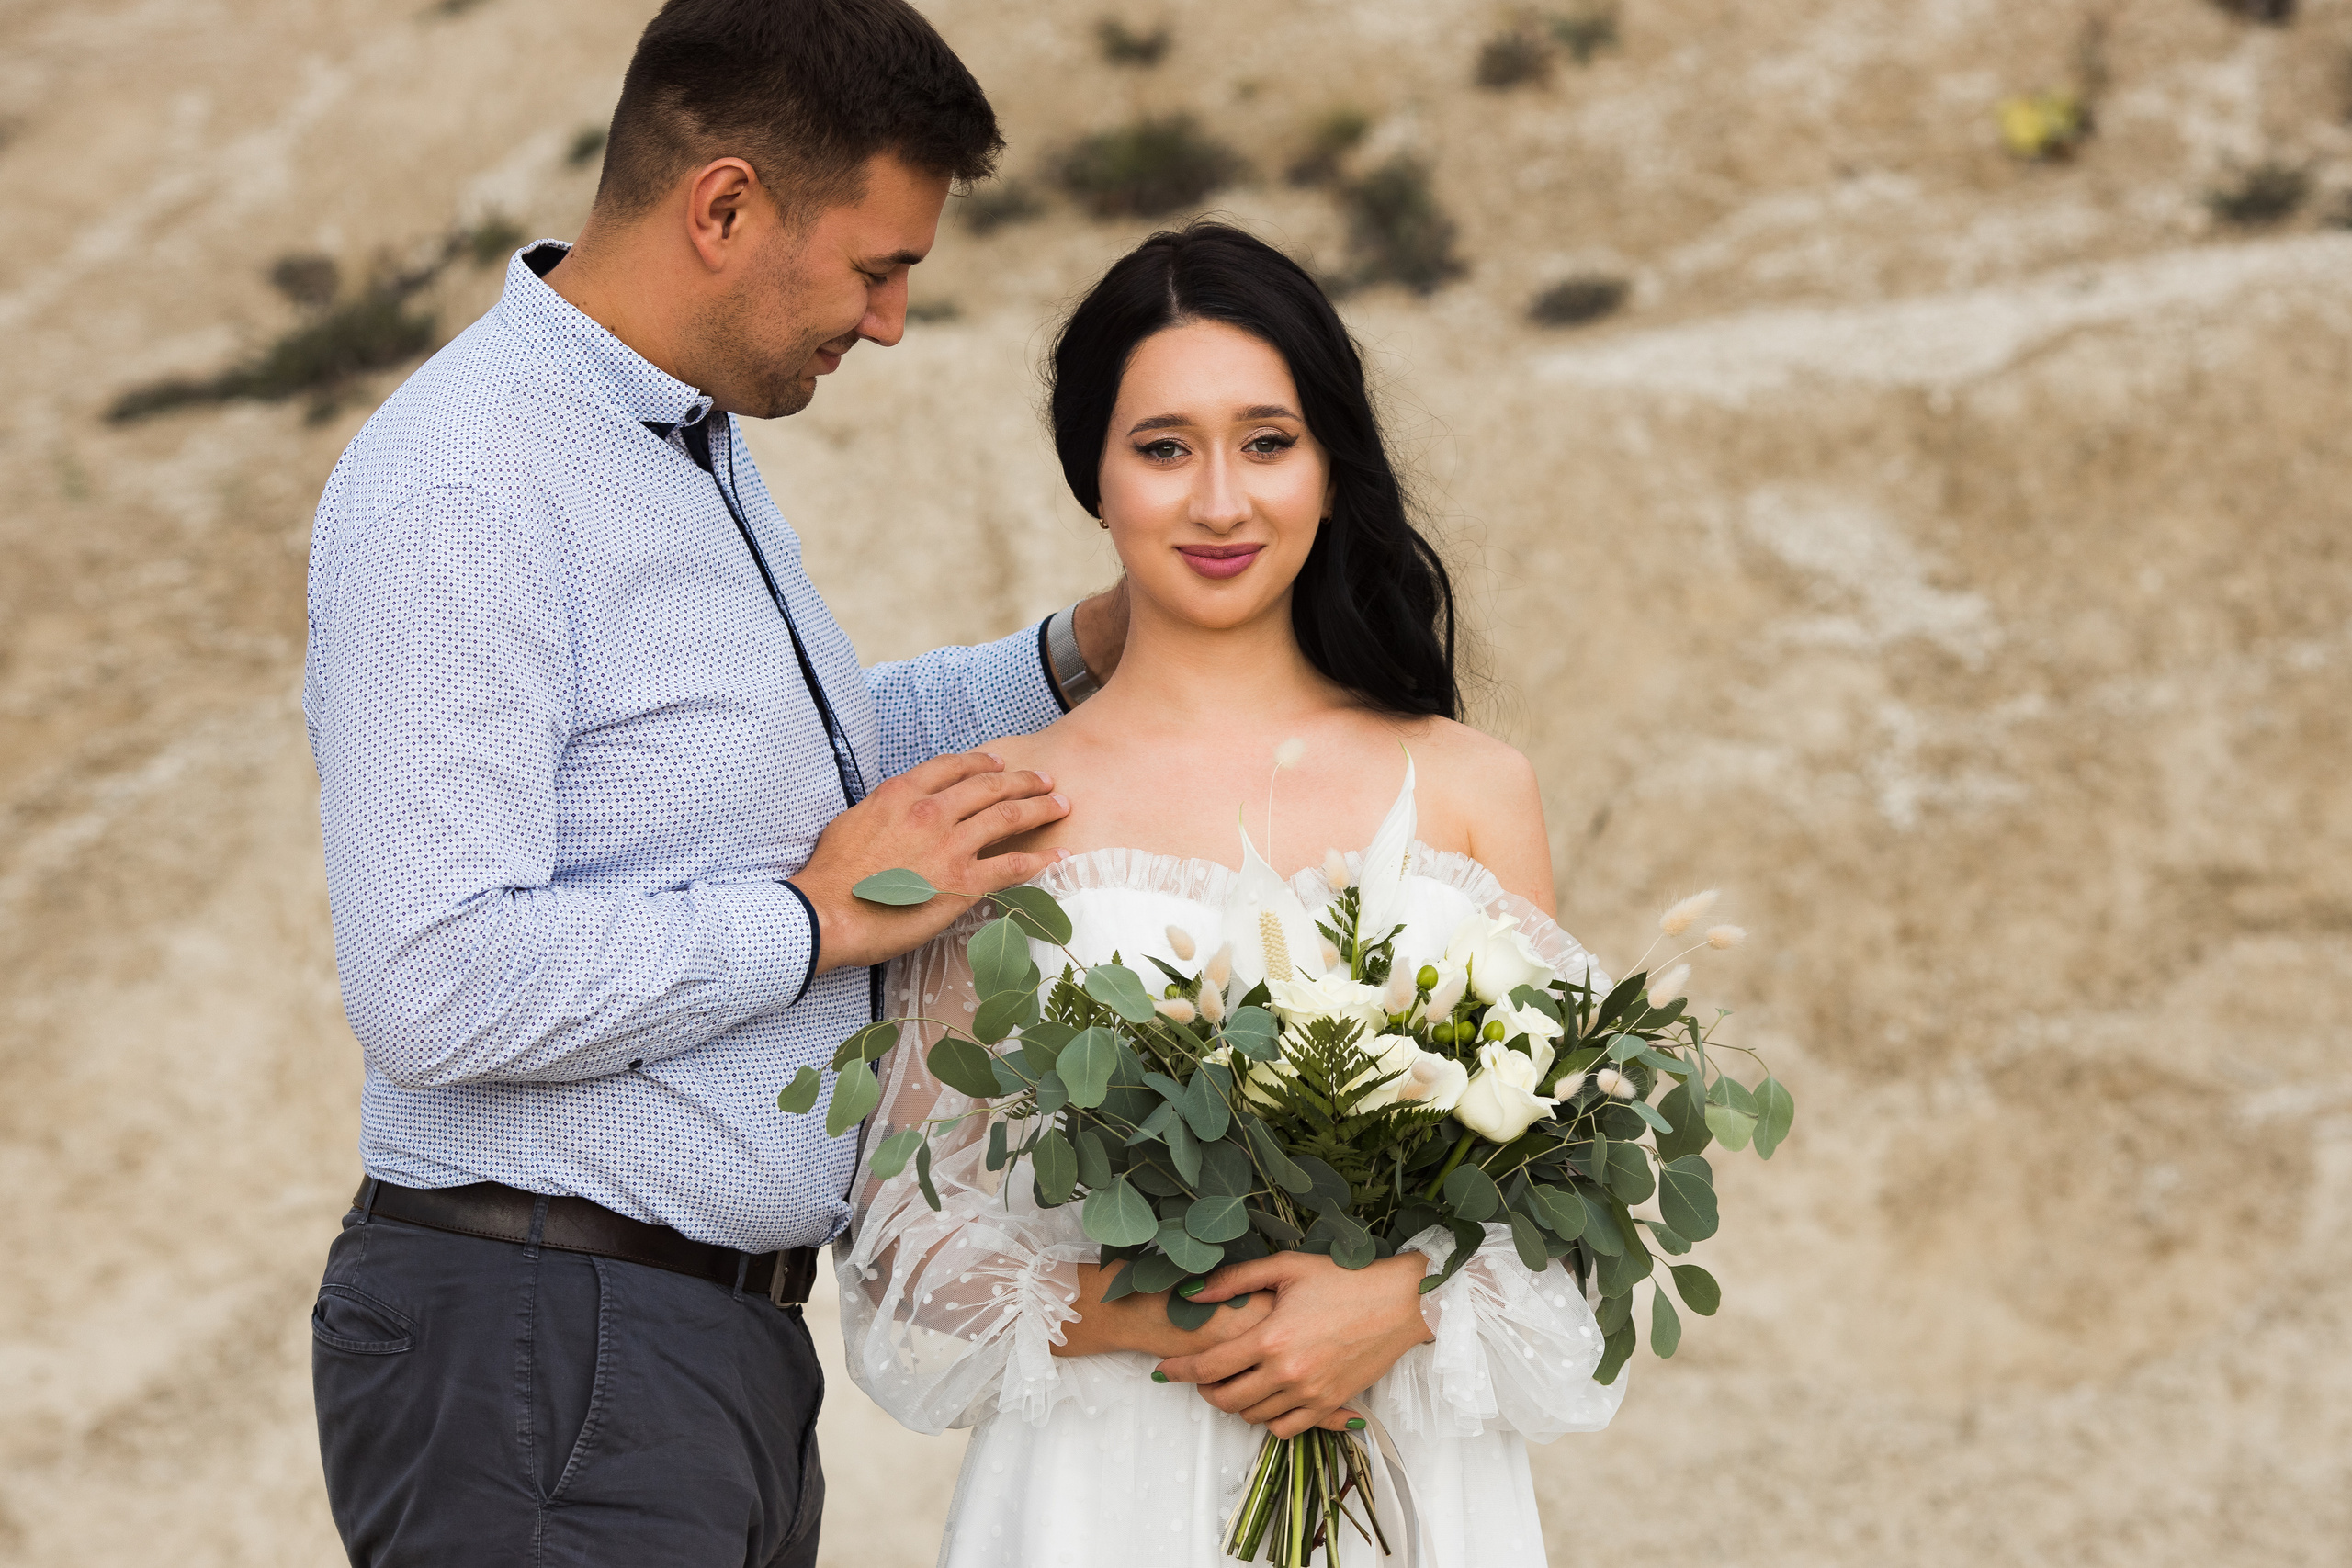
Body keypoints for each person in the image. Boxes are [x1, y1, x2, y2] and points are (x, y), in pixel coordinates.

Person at [300, 3, 1126, 1564]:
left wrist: (1082, 650)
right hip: (548, 1345)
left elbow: (775, 783)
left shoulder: (675, 438)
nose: (887, 321)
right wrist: (817, 922)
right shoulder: (468, 485)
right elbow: (432, 977)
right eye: (879, 266)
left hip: (677, 1351)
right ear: (726, 206)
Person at [837, 223, 1624, 1568]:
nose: (1220, 502)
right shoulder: (1000, 807)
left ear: (1330, 466)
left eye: (1268, 442)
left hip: (1408, 1471)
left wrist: (1400, 1299)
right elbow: (909, 1248)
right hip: (1098, 1484)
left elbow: (1575, 1206)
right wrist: (1176, 1313)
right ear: (1095, 477)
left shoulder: (1474, 788)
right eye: (1163, 448)